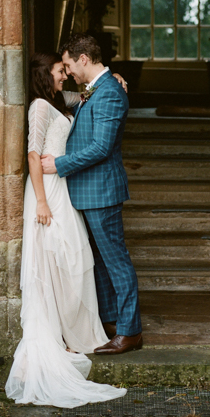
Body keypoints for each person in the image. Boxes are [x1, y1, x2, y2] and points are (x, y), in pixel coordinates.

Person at [5, 51, 127, 408]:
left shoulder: (61, 100)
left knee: (72, 260)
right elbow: (32, 156)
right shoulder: (39, 107)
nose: (66, 75)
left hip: (63, 189)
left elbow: (90, 92)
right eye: (61, 71)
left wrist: (114, 76)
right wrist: (41, 202)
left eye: (67, 69)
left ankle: (72, 333)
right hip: (47, 193)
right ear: (47, 75)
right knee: (56, 260)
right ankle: (60, 337)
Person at [41, 33, 143, 355]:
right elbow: (68, 100)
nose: (68, 71)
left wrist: (59, 165)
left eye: (69, 64)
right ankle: (112, 320)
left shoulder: (110, 93)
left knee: (116, 261)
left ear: (83, 59)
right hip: (87, 192)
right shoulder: (97, 88)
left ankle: (130, 331)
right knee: (98, 261)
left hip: (102, 191)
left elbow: (101, 147)